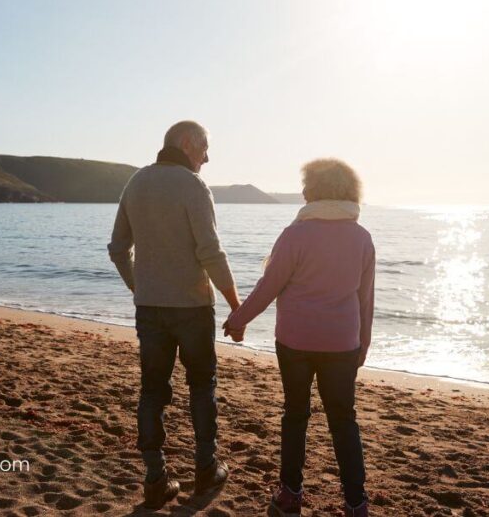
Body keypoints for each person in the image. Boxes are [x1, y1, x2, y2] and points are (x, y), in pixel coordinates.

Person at [223, 158, 374, 517]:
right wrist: (363, 342)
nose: (302, 191)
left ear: (317, 189)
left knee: (295, 415)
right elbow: (365, 299)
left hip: (295, 343)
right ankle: (356, 503)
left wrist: (238, 320)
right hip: (342, 344)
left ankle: (290, 494)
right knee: (343, 420)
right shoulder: (362, 237)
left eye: (306, 184)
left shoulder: (296, 234)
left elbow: (269, 286)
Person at [108, 120, 243, 510]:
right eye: (204, 149)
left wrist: (139, 287)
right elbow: (210, 252)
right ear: (186, 143)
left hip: (149, 308)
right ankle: (206, 468)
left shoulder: (136, 182)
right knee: (201, 386)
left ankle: (155, 479)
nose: (207, 158)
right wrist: (236, 306)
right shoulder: (193, 185)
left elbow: (118, 248)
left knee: (152, 391)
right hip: (192, 308)